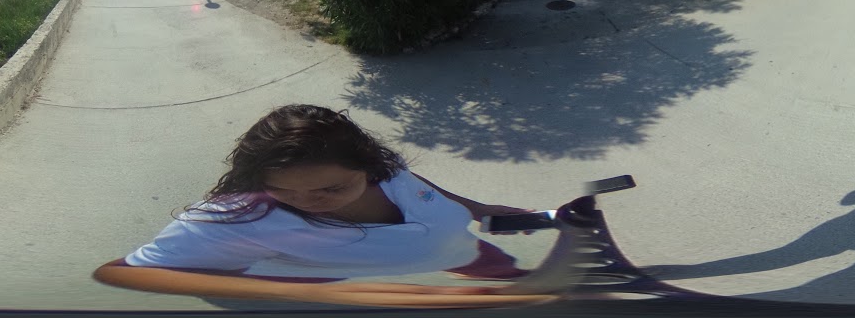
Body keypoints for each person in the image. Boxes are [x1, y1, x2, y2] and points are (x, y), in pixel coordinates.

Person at [93, 104, 556, 309]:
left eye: (330, 190)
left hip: (463, 252)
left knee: (512, 277)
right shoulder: (237, 218)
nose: (307, 204)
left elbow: (417, 184)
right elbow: (120, 272)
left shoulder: (386, 168)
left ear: (367, 165)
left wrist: (478, 208)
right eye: (286, 192)